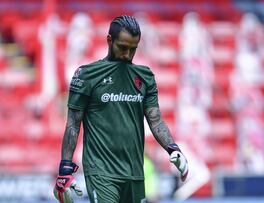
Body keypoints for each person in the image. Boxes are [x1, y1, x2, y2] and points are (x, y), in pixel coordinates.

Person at [53, 15, 189, 203]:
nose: (127, 54)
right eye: (123, 47)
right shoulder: (86, 75)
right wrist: (65, 169)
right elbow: (73, 124)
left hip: (134, 172)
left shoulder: (145, 77)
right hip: (101, 171)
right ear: (110, 40)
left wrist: (173, 149)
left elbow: (155, 120)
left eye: (133, 49)